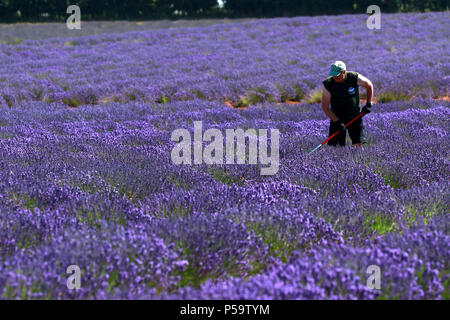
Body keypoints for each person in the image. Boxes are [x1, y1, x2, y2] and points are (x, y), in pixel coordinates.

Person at [321, 61, 374, 147]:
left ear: (344, 72)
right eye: (333, 75)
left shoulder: (353, 77)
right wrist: (337, 121)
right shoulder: (328, 84)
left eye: (337, 75)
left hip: (355, 115)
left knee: (359, 142)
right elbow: (325, 107)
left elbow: (369, 85)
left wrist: (368, 104)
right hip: (337, 116)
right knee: (335, 146)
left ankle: (358, 158)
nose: (335, 77)